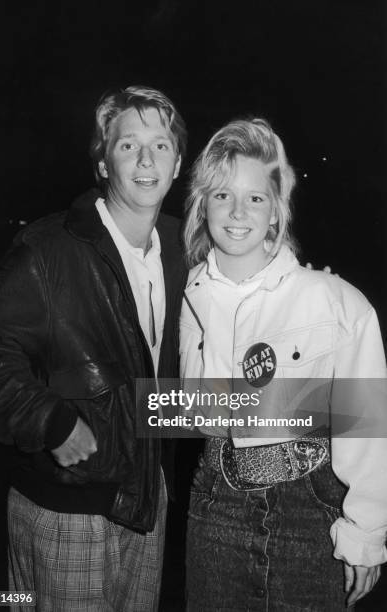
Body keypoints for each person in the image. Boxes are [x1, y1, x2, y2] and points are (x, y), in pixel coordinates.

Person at [0, 85, 188, 611]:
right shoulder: (47, 249)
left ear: (178, 164)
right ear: (102, 162)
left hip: (148, 503)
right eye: (127, 144)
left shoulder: (185, 249)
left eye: (160, 145)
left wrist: (313, 297)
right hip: (65, 511)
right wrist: (50, 421)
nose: (145, 159)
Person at [180, 117, 387, 610]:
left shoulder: (334, 301)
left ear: (276, 211)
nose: (237, 212)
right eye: (222, 195)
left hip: (310, 512)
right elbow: (193, 411)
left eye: (255, 197)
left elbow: (368, 427)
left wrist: (366, 531)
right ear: (203, 204)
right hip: (213, 509)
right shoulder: (188, 294)